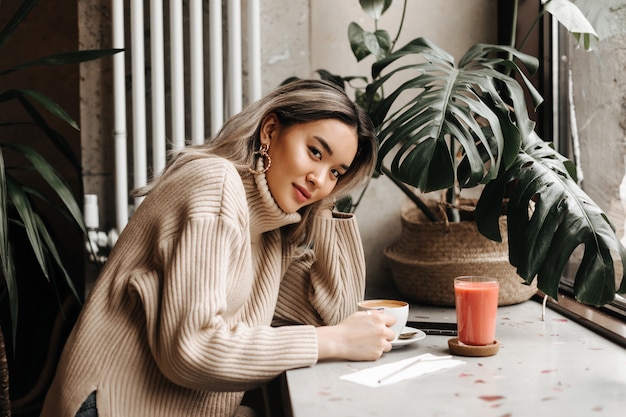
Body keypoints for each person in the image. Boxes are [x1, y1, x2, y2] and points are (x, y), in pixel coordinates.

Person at [40, 79, 396, 417]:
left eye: (336, 172)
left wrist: (322, 204)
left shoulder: (272, 230)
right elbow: (192, 350)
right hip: (114, 405)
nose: (319, 178)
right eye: (315, 152)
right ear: (270, 131)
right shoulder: (215, 184)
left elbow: (335, 315)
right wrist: (328, 342)